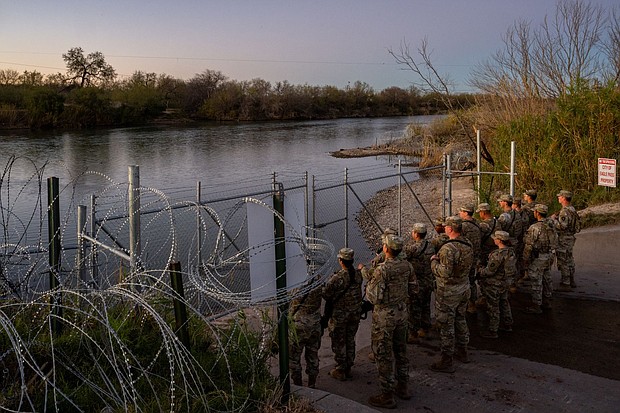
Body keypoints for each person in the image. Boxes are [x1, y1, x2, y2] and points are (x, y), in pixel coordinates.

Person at [361, 235, 417, 409]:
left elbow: (373, 296)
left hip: (385, 316)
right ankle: (403, 386)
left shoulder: (382, 270)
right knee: (401, 350)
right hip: (401, 312)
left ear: (386, 249)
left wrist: (368, 283)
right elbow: (413, 288)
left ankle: (387, 394)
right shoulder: (407, 266)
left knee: (383, 354)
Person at [430, 216, 474, 373]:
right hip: (464, 287)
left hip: (449, 292)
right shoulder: (467, 243)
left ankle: (446, 360)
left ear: (449, 229)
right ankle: (463, 350)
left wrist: (434, 262)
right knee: (460, 319)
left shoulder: (448, 249)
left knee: (446, 324)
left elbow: (445, 273)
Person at [322, 247, 362, 381]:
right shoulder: (358, 274)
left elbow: (326, 294)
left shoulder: (337, 278)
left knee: (339, 341)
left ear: (341, 260)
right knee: (350, 339)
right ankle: (348, 366)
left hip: (340, 315)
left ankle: (340, 368)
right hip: (355, 313)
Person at [477, 231, 516, 338]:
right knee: (504, 303)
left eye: (495, 238)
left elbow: (489, 271)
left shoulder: (497, 255)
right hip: (505, 282)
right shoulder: (511, 252)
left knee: (493, 306)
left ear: (499, 240)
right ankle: (508, 324)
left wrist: (480, 270)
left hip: (494, 284)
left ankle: (493, 330)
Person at [288, 277, 323, 388]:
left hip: (299, 325)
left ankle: (298, 385)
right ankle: (312, 384)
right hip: (314, 324)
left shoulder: (298, 281)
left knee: (294, 357)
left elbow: (294, 302)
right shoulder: (318, 279)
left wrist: (289, 318)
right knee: (313, 355)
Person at [404, 223, 435, 343]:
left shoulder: (413, 248)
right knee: (426, 305)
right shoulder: (431, 246)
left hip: (417, 282)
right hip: (428, 280)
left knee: (414, 307)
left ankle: (413, 333)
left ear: (416, 234)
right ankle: (425, 328)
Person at [522, 204, 555, 313]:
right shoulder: (551, 224)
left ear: (537, 213)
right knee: (547, 278)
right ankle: (547, 301)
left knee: (536, 280)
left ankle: (536, 305)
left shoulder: (535, 227)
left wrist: (525, 259)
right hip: (549, 255)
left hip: (539, 257)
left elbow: (529, 245)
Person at [551, 190, 580, 291]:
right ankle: (571, 280)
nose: (558, 198)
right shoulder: (572, 209)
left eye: (560, 197)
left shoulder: (564, 211)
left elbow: (562, 226)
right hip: (570, 237)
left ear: (564, 198)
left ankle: (565, 283)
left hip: (563, 238)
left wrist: (553, 220)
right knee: (569, 259)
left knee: (563, 260)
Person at [458, 205, 482, 314]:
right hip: (475, 255)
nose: (459, 213)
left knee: (463, 280)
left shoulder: (464, 226)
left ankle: (464, 304)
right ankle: (472, 303)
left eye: (461, 211)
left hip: (465, 256)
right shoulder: (477, 223)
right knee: (472, 280)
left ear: (466, 213)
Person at [497, 194, 523, 289]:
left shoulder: (504, 216)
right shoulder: (517, 214)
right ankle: (514, 283)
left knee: (507, 266)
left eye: (501, 201)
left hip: (507, 242)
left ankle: (509, 286)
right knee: (514, 263)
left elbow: (499, 230)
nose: (500, 203)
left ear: (505, 202)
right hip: (515, 241)